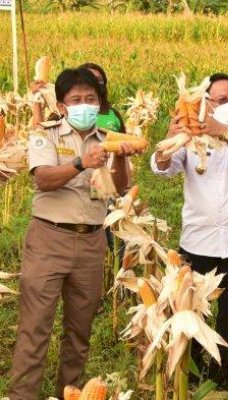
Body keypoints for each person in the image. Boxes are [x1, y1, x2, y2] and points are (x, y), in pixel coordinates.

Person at [8, 67, 141, 399]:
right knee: (35, 328)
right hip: (49, 239)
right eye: (77, 99)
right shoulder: (46, 134)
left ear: (100, 103)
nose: (85, 105)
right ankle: (22, 394)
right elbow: (43, 179)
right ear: (63, 106)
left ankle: (69, 393)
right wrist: (81, 162)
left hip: (92, 241)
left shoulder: (106, 139)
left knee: (79, 332)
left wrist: (120, 160)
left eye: (91, 99)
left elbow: (118, 189)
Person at [151, 73, 228, 395]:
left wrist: (225, 133)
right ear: (205, 103)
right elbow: (162, 169)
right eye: (222, 99)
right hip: (198, 241)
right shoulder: (189, 138)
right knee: (196, 311)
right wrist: (170, 138)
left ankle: (225, 374)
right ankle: (197, 372)